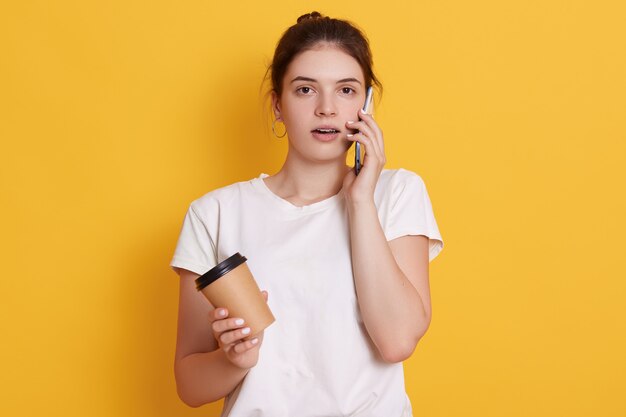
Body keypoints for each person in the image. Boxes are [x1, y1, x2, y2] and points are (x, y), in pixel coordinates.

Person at [170, 11, 444, 417]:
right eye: (305, 90)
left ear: (367, 104)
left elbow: (397, 341)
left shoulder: (396, 193)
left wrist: (360, 201)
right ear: (277, 105)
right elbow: (189, 383)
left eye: (347, 90)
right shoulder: (215, 213)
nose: (327, 109)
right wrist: (233, 360)